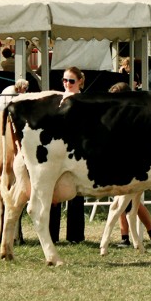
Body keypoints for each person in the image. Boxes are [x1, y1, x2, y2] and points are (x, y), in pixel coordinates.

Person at [104, 82, 151, 247]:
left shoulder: (134, 113)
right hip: (117, 159)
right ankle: (127, 236)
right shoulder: (115, 113)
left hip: (134, 162)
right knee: (121, 199)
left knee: (128, 200)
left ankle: (150, 232)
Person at [49, 67, 86, 244]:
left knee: (77, 193)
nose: (67, 84)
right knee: (54, 192)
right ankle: (52, 235)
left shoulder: (83, 100)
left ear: (80, 81)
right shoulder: (58, 99)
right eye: (65, 80)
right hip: (58, 150)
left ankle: (75, 236)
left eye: (71, 81)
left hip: (77, 151)